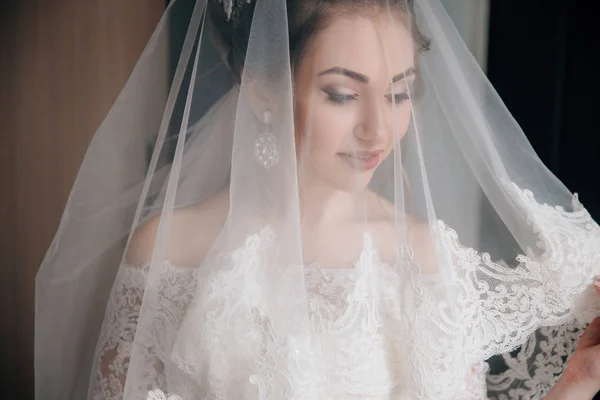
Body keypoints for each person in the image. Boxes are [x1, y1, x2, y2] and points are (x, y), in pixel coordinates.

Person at [34, 0, 600, 399]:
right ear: (263, 88)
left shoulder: (427, 259)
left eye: (400, 92)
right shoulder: (166, 251)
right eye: (343, 94)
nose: (378, 130)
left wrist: (576, 385)